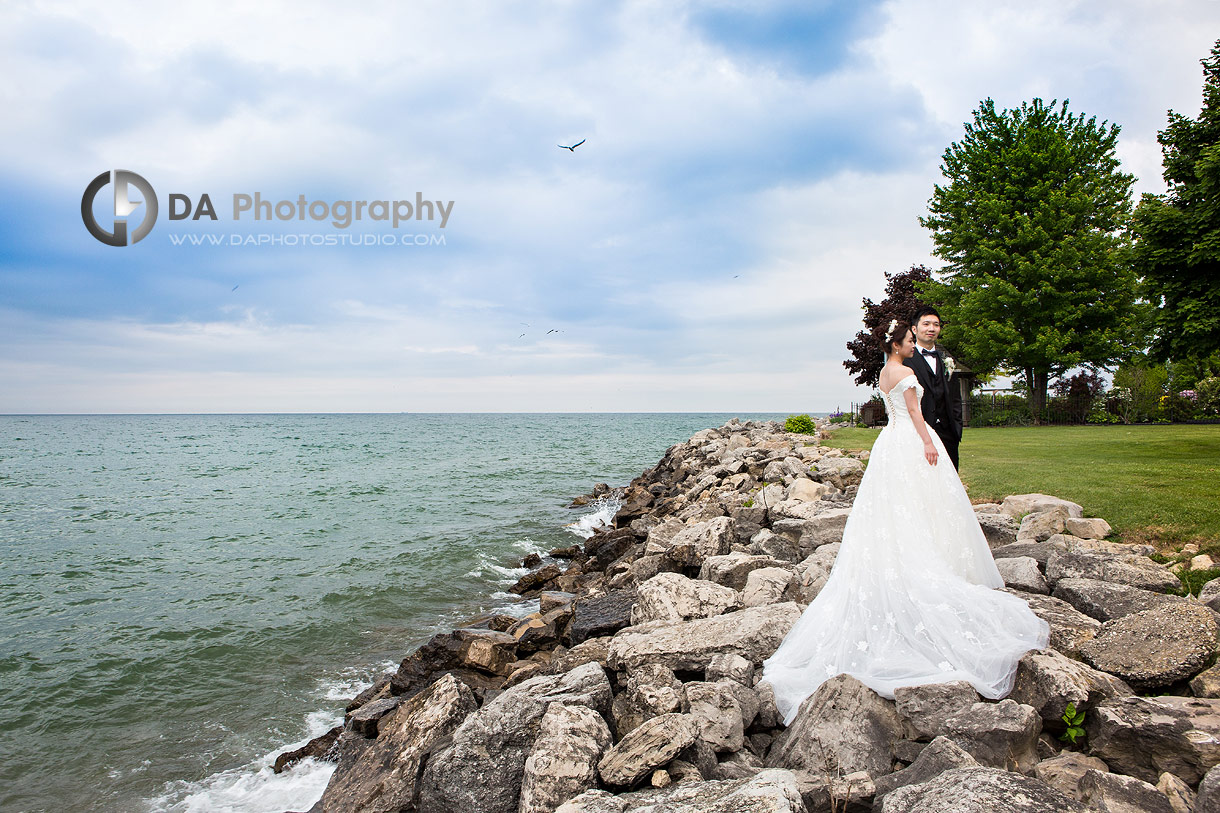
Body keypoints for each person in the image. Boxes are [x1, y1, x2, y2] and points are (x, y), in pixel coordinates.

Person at [758, 321, 1048, 727]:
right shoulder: (908, 373)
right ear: (897, 343)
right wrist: (929, 442)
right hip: (910, 440)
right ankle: (933, 562)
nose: (916, 343)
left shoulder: (883, 372)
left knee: (895, 508)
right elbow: (914, 413)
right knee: (924, 504)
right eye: (911, 339)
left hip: (887, 446)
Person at [904, 307, 963, 470]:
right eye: (926, 324)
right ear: (914, 329)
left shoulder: (946, 359)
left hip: (948, 433)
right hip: (918, 434)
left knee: (950, 480)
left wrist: (956, 427)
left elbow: (955, 398)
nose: (931, 328)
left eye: (936, 324)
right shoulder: (905, 360)